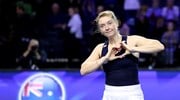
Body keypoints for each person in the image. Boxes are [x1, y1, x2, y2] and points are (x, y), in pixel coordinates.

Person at [80, 10, 164, 100]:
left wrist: (133, 49)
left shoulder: (132, 40)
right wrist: (104, 59)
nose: (107, 28)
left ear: (116, 23)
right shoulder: (100, 48)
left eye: (109, 23)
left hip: (132, 94)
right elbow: (83, 70)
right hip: (110, 94)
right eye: (102, 26)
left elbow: (159, 46)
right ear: (100, 30)